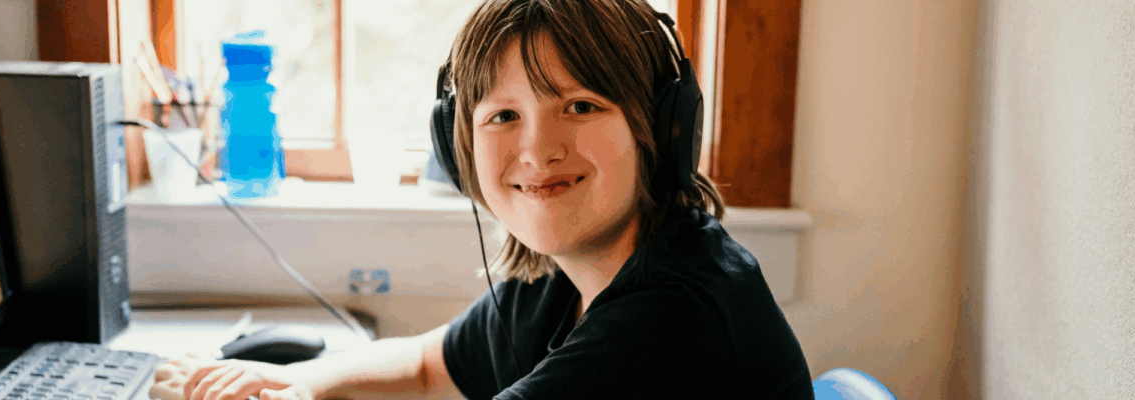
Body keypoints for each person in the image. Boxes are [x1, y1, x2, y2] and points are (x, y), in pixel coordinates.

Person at [180, 0, 811, 398]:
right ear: (460, 149)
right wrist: (300, 381)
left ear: (662, 128)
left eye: (581, 106)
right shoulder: (565, 276)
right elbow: (429, 368)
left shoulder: (678, 317)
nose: (537, 150)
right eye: (504, 115)